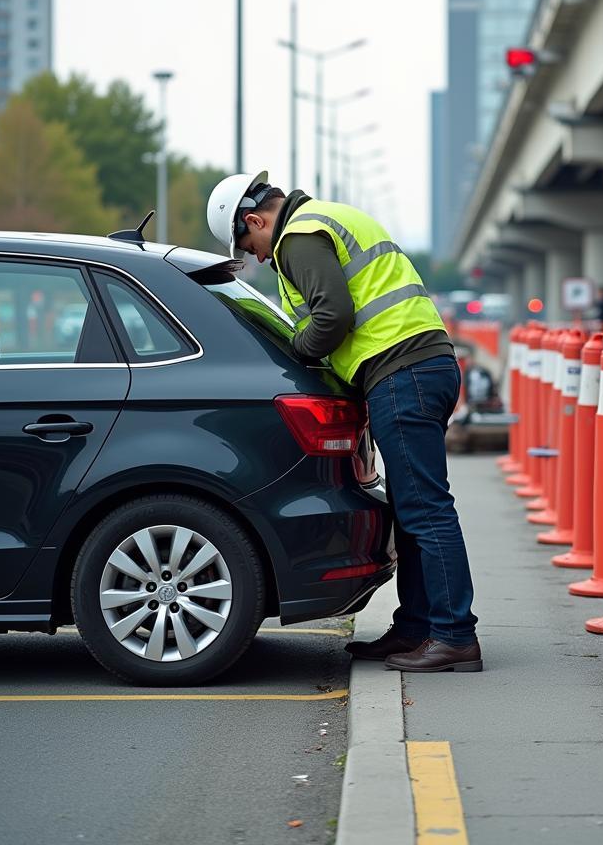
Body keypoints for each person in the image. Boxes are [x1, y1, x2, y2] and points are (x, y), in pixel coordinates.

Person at [206, 172, 481, 673]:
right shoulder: (328, 218)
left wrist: (298, 354)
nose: (262, 258)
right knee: (413, 510)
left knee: (426, 510)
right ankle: (417, 628)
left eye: (252, 245)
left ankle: (455, 635)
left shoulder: (298, 237)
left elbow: (332, 316)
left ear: (255, 220)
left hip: (402, 372)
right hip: (420, 368)